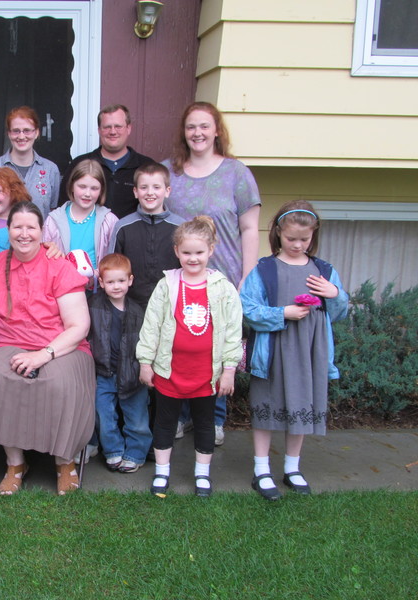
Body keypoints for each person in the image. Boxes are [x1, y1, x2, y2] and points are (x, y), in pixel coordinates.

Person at [0, 201, 95, 496]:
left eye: (31, 227)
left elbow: (79, 326)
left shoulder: (59, 266)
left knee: (59, 381)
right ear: (8, 230)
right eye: (18, 226)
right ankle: (16, 463)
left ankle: (64, 461)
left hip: (63, 346)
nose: (24, 233)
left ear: (42, 232)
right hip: (9, 343)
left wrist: (44, 354)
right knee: (1, 377)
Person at [162, 101, 261, 446]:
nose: (198, 133)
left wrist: (248, 275)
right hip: (182, 279)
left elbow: (250, 228)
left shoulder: (236, 173)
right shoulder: (169, 172)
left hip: (224, 277)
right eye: (191, 126)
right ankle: (182, 414)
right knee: (181, 343)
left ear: (217, 130)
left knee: (216, 347)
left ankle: (214, 418)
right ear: (183, 132)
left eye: (204, 126)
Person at [241, 200, 349, 501]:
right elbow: (247, 309)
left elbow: (339, 313)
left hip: (308, 352)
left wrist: (335, 294)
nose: (298, 244)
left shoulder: (324, 270)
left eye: (305, 239)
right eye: (291, 238)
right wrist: (282, 313)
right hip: (273, 351)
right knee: (266, 405)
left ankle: (292, 467)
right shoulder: (265, 270)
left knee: (301, 403)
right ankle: (261, 469)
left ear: (314, 235)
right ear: (278, 233)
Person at [137, 216, 243, 498]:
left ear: (211, 250)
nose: (193, 258)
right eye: (186, 252)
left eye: (199, 252)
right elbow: (151, 325)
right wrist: (146, 362)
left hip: (206, 373)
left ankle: (202, 474)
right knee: (165, 422)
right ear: (176, 251)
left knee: (205, 423)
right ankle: (162, 472)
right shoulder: (167, 285)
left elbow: (233, 331)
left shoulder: (223, 288)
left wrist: (229, 369)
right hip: (170, 370)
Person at [88, 253, 151, 473]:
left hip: (132, 373)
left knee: (137, 417)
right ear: (101, 282)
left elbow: (146, 342)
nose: (116, 286)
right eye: (110, 282)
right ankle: (113, 451)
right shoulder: (93, 306)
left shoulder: (137, 312)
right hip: (104, 373)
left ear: (130, 280)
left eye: (121, 281)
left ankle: (136, 454)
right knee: (104, 416)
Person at [108, 163, 185, 309]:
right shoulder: (123, 227)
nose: (150, 192)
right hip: (131, 306)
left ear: (167, 191)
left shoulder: (181, 227)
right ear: (135, 192)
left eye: (156, 187)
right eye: (144, 187)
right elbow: (111, 268)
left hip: (171, 305)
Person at [60, 104, 156, 219]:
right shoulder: (79, 165)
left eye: (118, 126)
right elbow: (63, 208)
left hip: (133, 230)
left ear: (128, 128)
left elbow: (156, 210)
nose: (113, 132)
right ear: (99, 130)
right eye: (107, 127)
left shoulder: (146, 167)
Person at [43, 159, 118, 278]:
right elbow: (44, 258)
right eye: (82, 187)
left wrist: (96, 277)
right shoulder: (53, 220)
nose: (87, 193)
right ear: (72, 186)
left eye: (94, 188)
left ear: (101, 190)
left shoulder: (109, 221)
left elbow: (116, 260)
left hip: (98, 285)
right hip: (63, 284)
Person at [0, 106, 60, 220]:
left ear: (36, 132)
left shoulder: (50, 170)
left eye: (27, 130)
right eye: (16, 131)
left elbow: (52, 211)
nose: (21, 136)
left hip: (40, 231)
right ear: (9, 133)